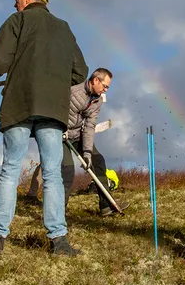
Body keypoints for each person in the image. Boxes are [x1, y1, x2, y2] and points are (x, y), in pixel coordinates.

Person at [0, 0, 89, 256]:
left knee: (11, 169)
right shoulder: (64, 27)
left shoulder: (17, 21)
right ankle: (59, 241)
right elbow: (81, 71)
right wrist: (53, 81)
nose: (14, 4)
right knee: (52, 175)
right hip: (52, 108)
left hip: (19, 103)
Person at [24, 69, 130, 216]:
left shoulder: (97, 100)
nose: (105, 90)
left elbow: (89, 126)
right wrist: (61, 129)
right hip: (59, 135)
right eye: (105, 86)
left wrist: (87, 153)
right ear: (95, 80)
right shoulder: (73, 93)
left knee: (97, 161)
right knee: (67, 170)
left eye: (108, 88)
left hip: (77, 134)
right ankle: (58, 212)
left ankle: (107, 205)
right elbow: (54, 111)